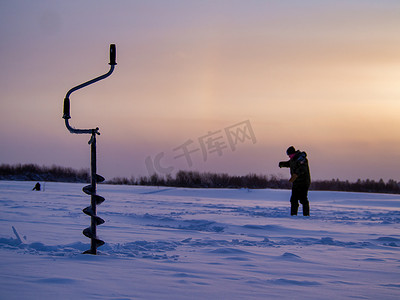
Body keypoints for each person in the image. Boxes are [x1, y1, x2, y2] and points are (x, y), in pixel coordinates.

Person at [279, 146, 311, 216]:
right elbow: (289, 163)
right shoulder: (293, 159)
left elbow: (302, 169)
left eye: (289, 155)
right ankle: (293, 215)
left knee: (303, 199)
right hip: (296, 183)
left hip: (303, 182)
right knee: (293, 199)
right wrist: (282, 164)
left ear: (293, 153)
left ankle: (306, 215)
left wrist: (295, 175)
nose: (289, 157)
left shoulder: (301, 159)